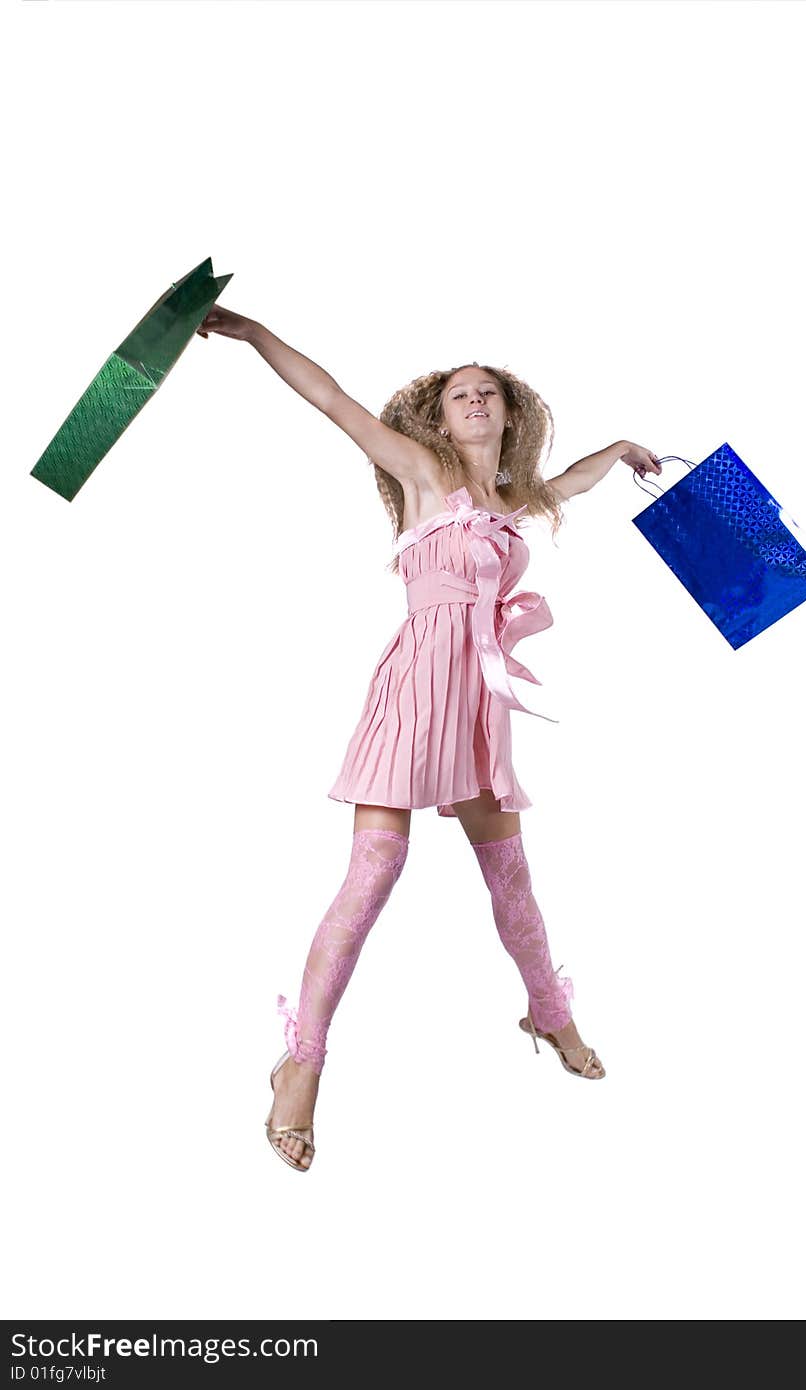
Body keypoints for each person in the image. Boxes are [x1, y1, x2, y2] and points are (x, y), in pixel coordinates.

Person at [197, 307, 662, 1172]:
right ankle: (300, 1065)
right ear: (439, 418)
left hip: (479, 703)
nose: (476, 400)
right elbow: (332, 399)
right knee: (374, 869)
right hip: (416, 691)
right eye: (460, 394)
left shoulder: (516, 499)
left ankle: (549, 1014)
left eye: (488, 392)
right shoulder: (417, 470)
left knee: (509, 875)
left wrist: (626, 446)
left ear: (508, 412)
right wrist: (254, 334)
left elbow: (575, 481)